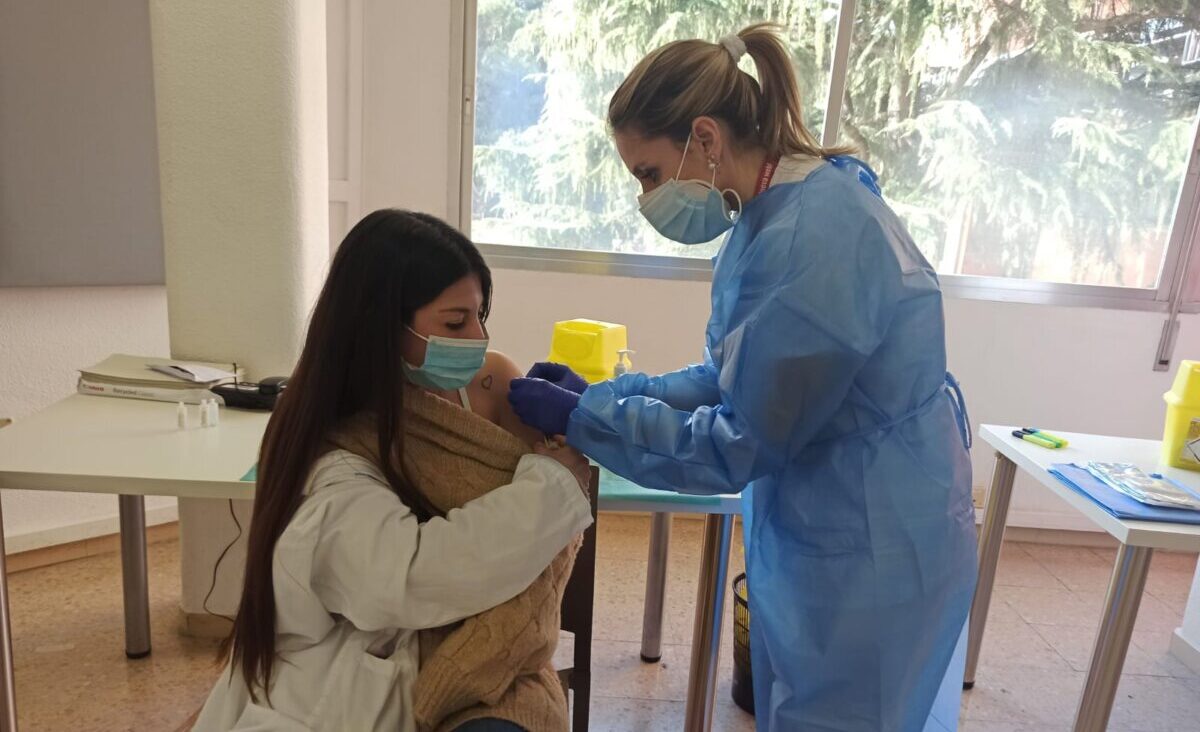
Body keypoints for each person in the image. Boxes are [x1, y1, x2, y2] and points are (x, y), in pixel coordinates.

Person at [508, 23, 978, 732]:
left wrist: (587, 421)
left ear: (704, 137)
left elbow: (736, 441)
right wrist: (607, 395)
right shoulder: (773, 212)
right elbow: (733, 374)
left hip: (874, 540)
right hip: (833, 515)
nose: (647, 197)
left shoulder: (815, 240)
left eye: (649, 173)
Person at [193, 210, 592, 732]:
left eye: (480, 315)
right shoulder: (335, 447)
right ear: (381, 326)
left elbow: (544, 531)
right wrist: (553, 484)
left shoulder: (492, 379)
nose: (477, 337)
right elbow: (415, 577)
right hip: (369, 665)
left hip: (494, 652)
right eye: (455, 322)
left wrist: (583, 423)